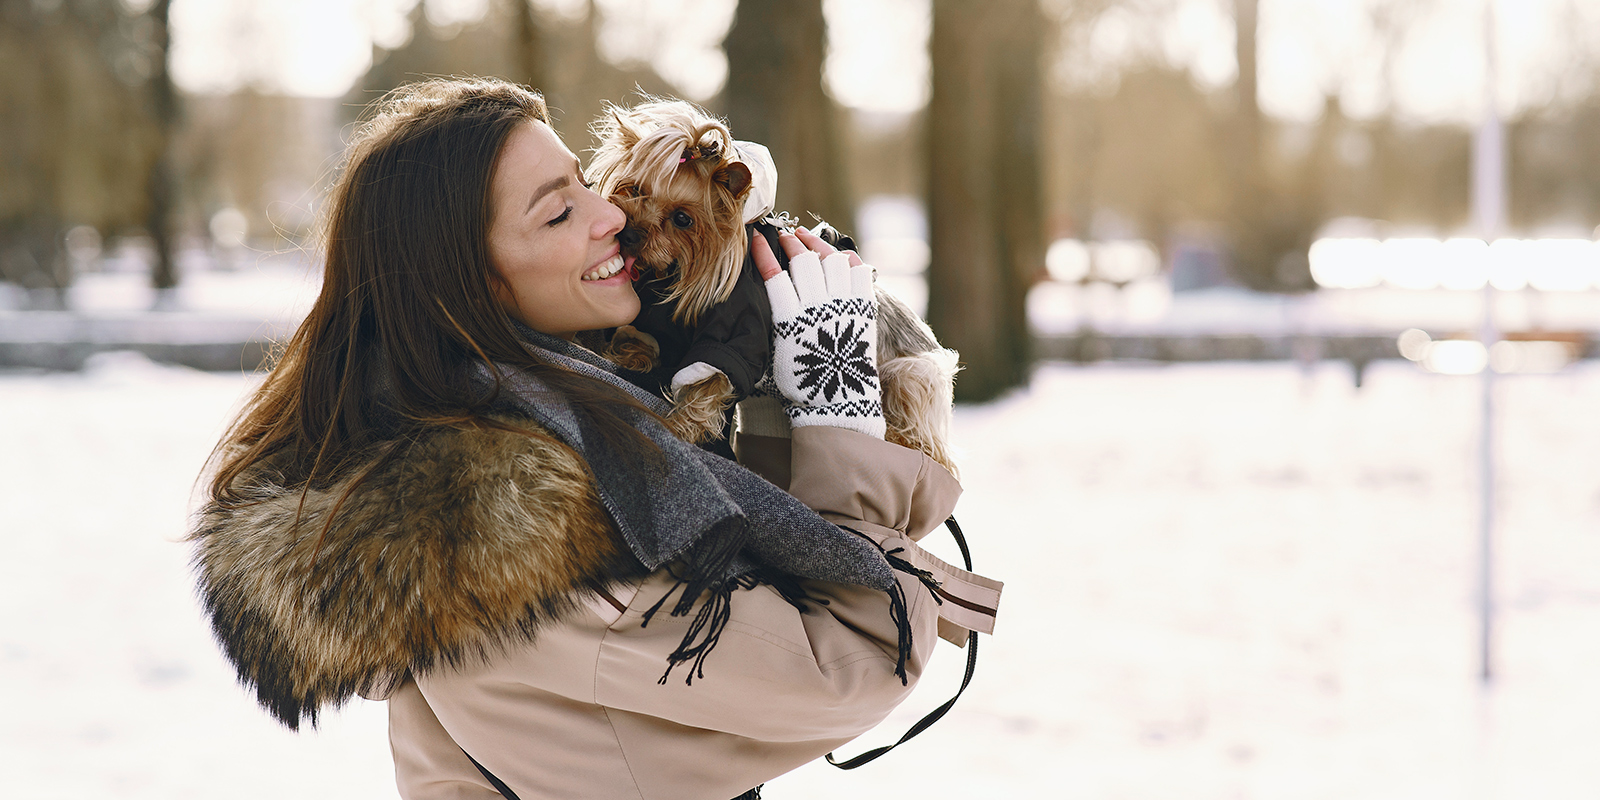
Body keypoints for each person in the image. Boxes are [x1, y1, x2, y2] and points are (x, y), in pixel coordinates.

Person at [188, 77, 999, 800]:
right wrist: (838, 411)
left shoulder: (473, 429)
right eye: (559, 210)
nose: (613, 213)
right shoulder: (525, 527)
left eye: (585, 180)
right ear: (472, 281)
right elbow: (853, 658)